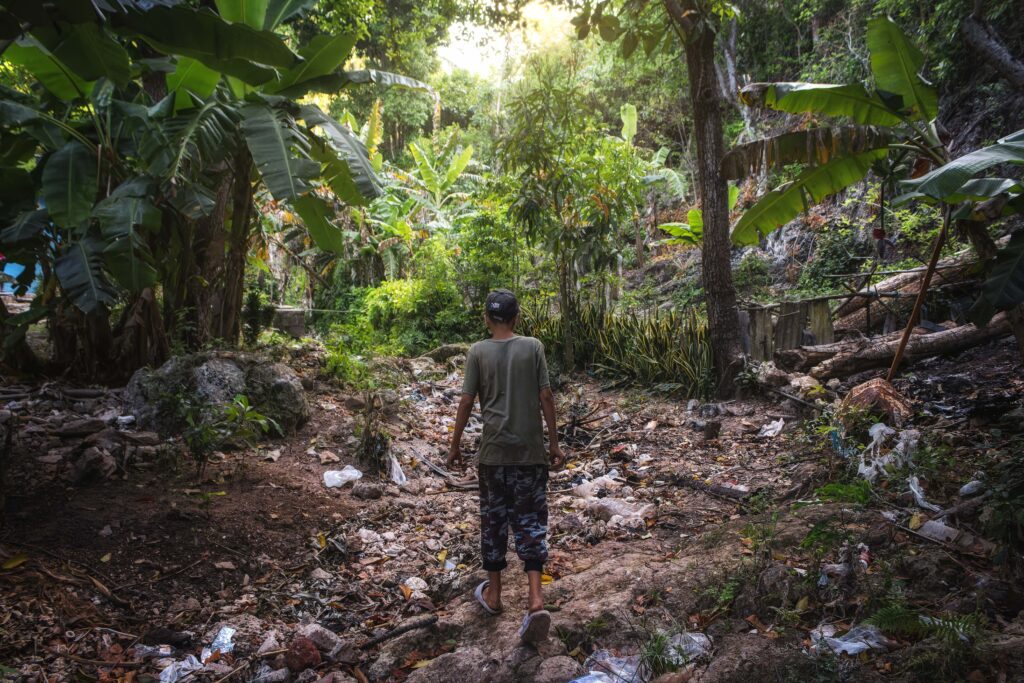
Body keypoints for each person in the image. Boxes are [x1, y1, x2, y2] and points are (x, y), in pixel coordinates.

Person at [447, 289, 564, 644]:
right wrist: (554, 444)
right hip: (530, 454)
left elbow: (467, 401)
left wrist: (454, 446)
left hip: (493, 456)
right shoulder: (534, 347)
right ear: (516, 317)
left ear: (487, 318)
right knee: (530, 522)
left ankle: (495, 596)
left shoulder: (478, 352)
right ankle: (535, 598)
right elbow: (546, 396)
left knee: (494, 522)